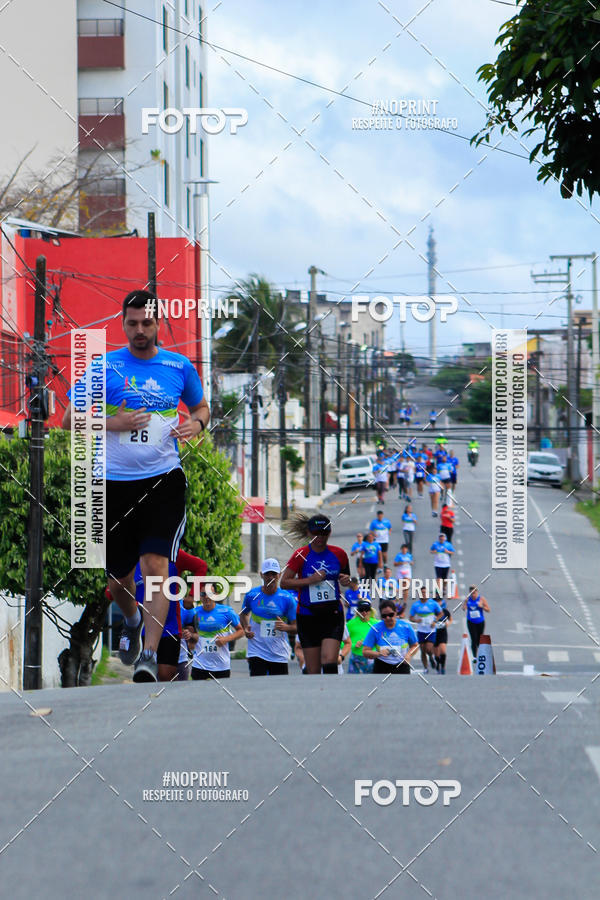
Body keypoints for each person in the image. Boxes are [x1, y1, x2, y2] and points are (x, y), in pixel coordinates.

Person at [62, 289, 210, 683]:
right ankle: (131, 620)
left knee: (156, 565)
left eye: (147, 322)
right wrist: (115, 423)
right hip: (112, 484)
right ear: (123, 324)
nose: (140, 329)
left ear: (158, 323)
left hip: (163, 480)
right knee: (119, 578)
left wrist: (196, 424)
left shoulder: (178, 366)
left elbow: (201, 408)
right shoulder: (104, 367)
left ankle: (148, 653)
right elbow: (68, 420)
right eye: (132, 323)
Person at [280, 513, 351, 674]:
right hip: (308, 616)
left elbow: (346, 579)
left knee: (329, 661)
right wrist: (310, 580)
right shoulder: (300, 555)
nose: (320, 537)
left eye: (324, 533)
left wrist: (347, 580)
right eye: (316, 533)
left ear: (329, 533)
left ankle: (332, 690)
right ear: (308, 533)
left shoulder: (339, 554)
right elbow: (284, 583)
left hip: (332, 615)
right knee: (313, 670)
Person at [240, 559, 297, 676]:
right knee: (257, 684)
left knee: (277, 686)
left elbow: (297, 627)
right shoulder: (252, 595)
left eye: (274, 574)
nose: (270, 577)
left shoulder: (287, 598)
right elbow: (243, 613)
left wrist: (286, 627)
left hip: (278, 653)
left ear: (279, 575)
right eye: (267, 574)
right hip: (256, 651)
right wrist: (245, 628)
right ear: (261, 575)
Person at [191, 586, 244, 680]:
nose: (206, 597)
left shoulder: (226, 611)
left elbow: (241, 631)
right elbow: (189, 633)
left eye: (210, 594)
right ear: (200, 596)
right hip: (199, 665)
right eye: (203, 594)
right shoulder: (194, 612)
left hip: (221, 666)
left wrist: (226, 639)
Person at [362, 599, 419, 674]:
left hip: (402, 665)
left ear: (396, 612)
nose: (388, 618)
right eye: (384, 616)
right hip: (381, 666)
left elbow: (415, 645)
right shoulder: (375, 628)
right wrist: (379, 653)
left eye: (391, 615)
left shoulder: (406, 627)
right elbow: (365, 651)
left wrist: (408, 655)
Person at [409, 586, 443, 672]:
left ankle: (431, 657)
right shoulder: (415, 605)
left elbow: (441, 614)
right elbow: (410, 617)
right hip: (421, 630)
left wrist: (435, 621)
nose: (423, 594)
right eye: (422, 593)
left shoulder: (433, 603)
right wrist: (416, 620)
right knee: (423, 650)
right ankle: (425, 668)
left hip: (431, 630)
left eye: (425, 592)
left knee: (428, 648)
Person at [347, 599, 377, 673]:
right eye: (361, 610)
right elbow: (342, 643)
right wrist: (354, 645)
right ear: (357, 611)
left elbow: (383, 641)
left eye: (367, 610)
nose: (364, 612)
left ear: (370, 611)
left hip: (372, 658)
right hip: (356, 658)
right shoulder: (350, 624)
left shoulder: (377, 624)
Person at [463, 585, 490, 662]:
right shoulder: (468, 599)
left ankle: (481, 654)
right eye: (471, 593)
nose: (473, 595)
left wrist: (482, 606)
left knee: (479, 639)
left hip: (480, 622)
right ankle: (474, 657)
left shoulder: (481, 599)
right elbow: (464, 608)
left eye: (474, 593)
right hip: (471, 622)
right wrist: (465, 603)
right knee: (473, 639)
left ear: (477, 592)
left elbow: (488, 610)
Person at [433, 598, 452, 674]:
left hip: (443, 632)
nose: (438, 603)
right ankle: (438, 663)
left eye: (439, 601)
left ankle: (443, 667)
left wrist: (448, 624)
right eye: (436, 601)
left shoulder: (445, 611)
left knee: (443, 650)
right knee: (436, 654)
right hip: (433, 633)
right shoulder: (432, 611)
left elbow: (450, 619)